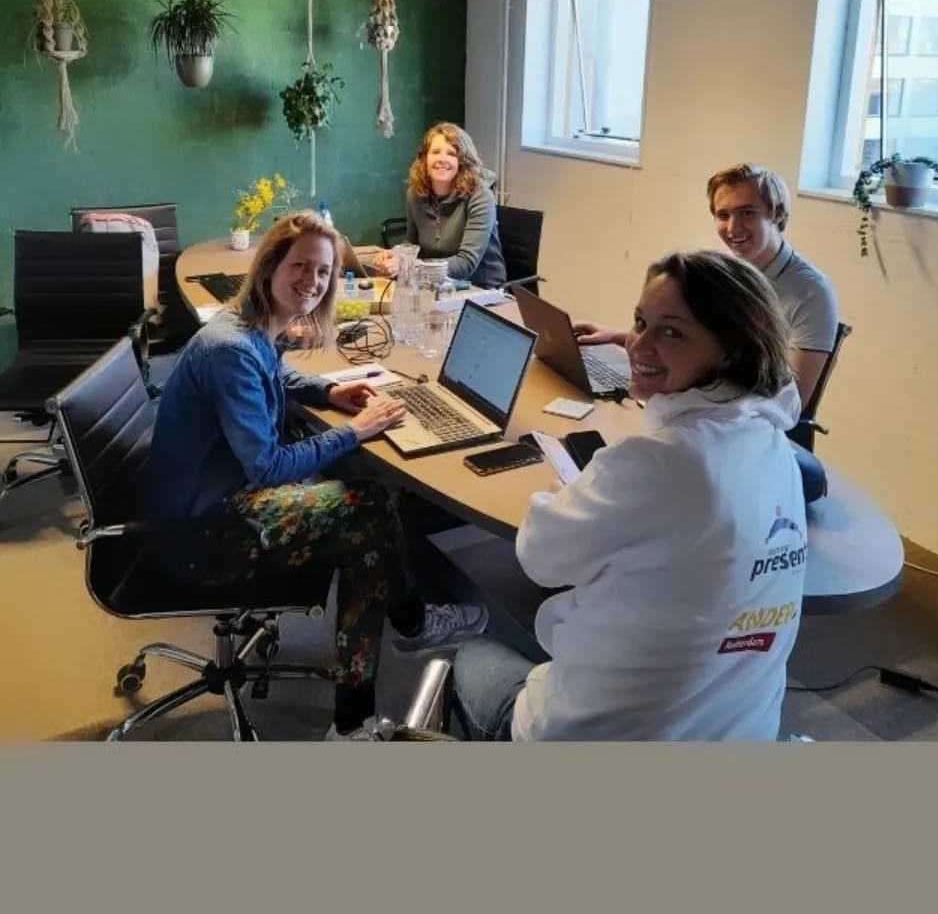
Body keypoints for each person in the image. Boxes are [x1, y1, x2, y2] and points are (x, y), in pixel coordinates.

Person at [143, 211, 488, 739]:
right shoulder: (230, 350)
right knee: (370, 508)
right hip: (202, 532)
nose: (313, 281)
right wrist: (355, 430)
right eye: (300, 266)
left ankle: (365, 701)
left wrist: (328, 391)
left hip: (204, 498)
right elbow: (266, 468)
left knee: (367, 518)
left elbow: (275, 371)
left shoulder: (246, 327)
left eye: (324, 271)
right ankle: (399, 647)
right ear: (270, 267)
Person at [452, 250, 808, 741]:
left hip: (604, 739)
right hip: (739, 735)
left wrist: (570, 491)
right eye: (640, 322)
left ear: (730, 350)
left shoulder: (658, 461)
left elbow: (540, 558)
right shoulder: (775, 446)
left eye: (671, 332)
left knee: (470, 652)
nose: (638, 344)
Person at [575, 164, 839, 409]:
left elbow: (793, 401)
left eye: (746, 213)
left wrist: (685, 406)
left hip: (739, 422)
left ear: (777, 213)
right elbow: (698, 346)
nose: (733, 228)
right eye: (723, 215)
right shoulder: (724, 272)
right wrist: (616, 337)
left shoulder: (812, 291)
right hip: (699, 405)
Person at [371, 122, 506, 287]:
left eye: (451, 153)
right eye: (435, 152)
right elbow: (412, 242)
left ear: (462, 161)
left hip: (480, 288)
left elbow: (466, 264)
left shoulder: (480, 197)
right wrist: (397, 255)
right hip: (434, 283)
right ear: (425, 158)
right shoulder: (415, 194)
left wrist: (411, 266)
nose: (442, 159)